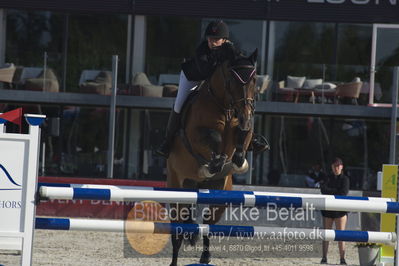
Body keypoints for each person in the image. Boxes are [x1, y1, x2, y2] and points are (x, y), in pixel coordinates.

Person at [155, 20, 268, 158]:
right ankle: (167, 141)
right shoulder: (201, 51)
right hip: (193, 77)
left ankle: (250, 139)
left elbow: (239, 63)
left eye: (216, 39)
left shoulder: (231, 50)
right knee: (179, 104)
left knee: (242, 103)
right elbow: (206, 72)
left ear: (225, 40)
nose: (212, 42)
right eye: (210, 39)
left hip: (214, 81)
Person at [319, 157, 349, 265]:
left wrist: (330, 192)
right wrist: (335, 192)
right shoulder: (327, 177)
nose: (336, 168)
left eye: (338, 166)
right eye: (334, 166)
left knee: (341, 236)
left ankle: (342, 258)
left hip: (340, 212)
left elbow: (343, 193)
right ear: (331, 167)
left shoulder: (345, 179)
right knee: (326, 235)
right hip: (328, 210)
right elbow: (323, 190)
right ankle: (324, 258)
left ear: (341, 167)